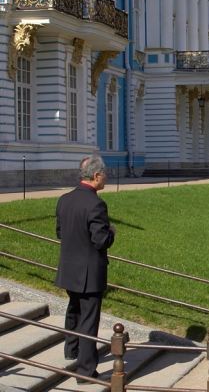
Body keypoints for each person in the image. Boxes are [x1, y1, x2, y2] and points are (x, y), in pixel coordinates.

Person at [55, 155, 116, 385]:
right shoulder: (96, 204)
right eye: (105, 175)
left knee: (74, 310)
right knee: (89, 319)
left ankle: (71, 351)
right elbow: (101, 240)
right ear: (96, 176)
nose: (106, 179)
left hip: (69, 268)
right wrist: (111, 233)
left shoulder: (64, 200)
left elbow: (60, 232)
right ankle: (86, 370)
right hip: (90, 272)